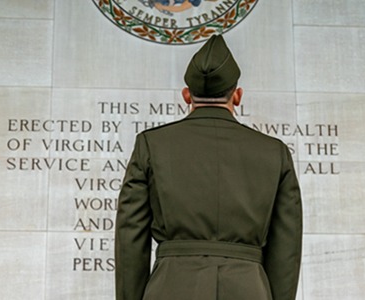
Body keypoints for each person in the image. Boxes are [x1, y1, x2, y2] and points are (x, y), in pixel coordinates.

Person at [114, 35, 302, 300]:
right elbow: (286, 249)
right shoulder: (274, 152)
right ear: (237, 96)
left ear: (186, 95)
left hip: (171, 288)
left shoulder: (151, 145)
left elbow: (130, 237)